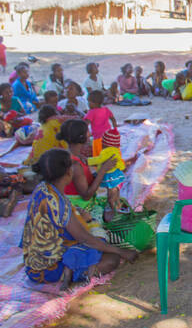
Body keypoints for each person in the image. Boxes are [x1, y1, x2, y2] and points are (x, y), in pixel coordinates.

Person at [21, 148, 136, 288]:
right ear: (69, 173)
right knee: (112, 259)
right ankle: (75, 274)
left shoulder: (41, 189)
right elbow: (85, 238)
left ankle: (74, 267)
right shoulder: (60, 203)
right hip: (47, 270)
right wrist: (121, 251)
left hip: (32, 263)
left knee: (94, 241)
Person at [57, 119, 117, 207]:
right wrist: (103, 170)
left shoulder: (75, 156)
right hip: (78, 206)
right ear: (80, 137)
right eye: (88, 131)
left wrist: (101, 171)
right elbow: (86, 196)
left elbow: (86, 179)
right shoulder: (75, 165)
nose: (90, 134)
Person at [87, 128, 126, 222]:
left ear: (105, 143)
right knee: (116, 196)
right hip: (116, 176)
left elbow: (99, 160)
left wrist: (87, 161)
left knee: (111, 197)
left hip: (110, 177)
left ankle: (115, 214)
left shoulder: (106, 151)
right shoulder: (116, 151)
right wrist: (121, 168)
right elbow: (121, 165)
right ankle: (119, 209)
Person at [84, 90, 117, 156]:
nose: (88, 103)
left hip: (97, 137)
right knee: (107, 153)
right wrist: (115, 129)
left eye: (89, 101)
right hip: (108, 135)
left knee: (98, 154)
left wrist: (86, 135)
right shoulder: (106, 109)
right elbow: (113, 119)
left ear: (94, 103)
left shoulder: (91, 112)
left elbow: (85, 124)